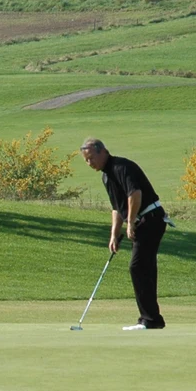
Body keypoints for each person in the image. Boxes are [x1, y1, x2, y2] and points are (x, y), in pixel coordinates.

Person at [80, 138, 171, 331]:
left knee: (137, 266)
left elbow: (134, 195)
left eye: (91, 158)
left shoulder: (122, 167)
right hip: (144, 221)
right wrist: (114, 234)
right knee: (144, 267)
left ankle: (150, 319)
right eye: (86, 160)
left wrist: (130, 223)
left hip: (151, 218)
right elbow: (117, 207)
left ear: (103, 151)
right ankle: (153, 319)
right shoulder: (106, 176)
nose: (89, 163)